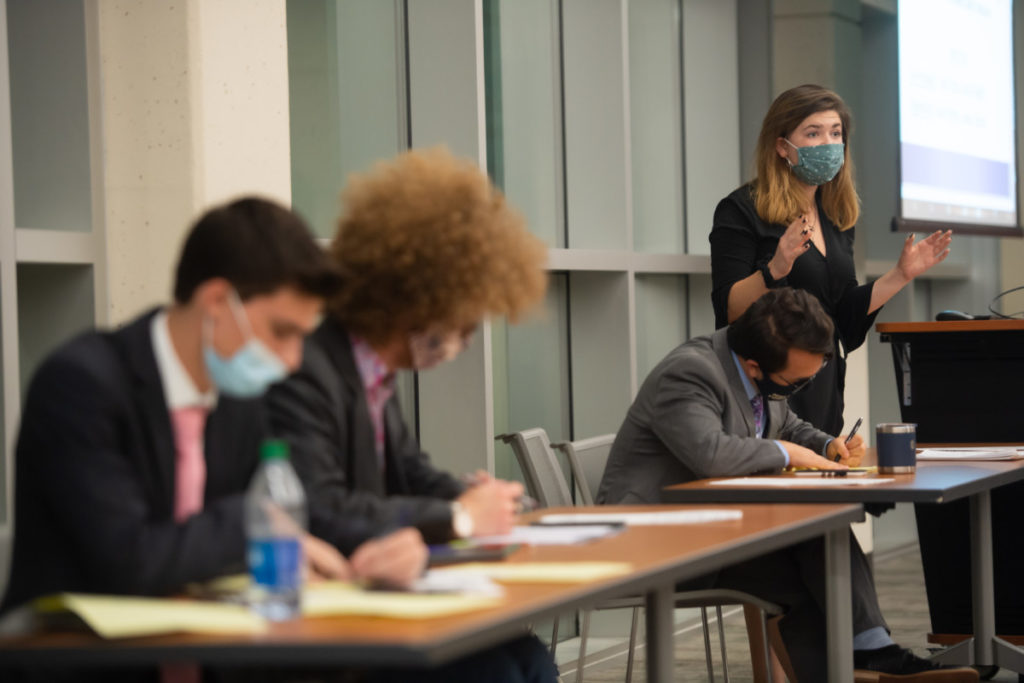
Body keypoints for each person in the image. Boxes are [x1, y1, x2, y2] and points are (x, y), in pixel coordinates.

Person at [0, 197, 547, 683]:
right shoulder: (84, 384)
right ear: (218, 302)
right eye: (282, 333)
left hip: (230, 654)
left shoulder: (233, 398)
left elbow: (295, 514)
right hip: (96, 667)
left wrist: (345, 553)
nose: (290, 360)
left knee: (519, 656)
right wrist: (263, 525)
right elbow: (131, 560)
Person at [264, 148, 557, 683]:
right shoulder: (311, 369)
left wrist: (490, 501)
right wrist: (461, 518)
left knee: (529, 659)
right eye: (463, 324)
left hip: (376, 594)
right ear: (417, 298)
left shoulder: (369, 369)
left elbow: (409, 469)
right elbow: (318, 506)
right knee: (500, 674)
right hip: (325, 615)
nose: (464, 343)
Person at [597, 288, 977, 682]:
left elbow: (787, 425)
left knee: (817, 556)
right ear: (753, 366)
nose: (800, 389)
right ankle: (871, 658)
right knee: (814, 558)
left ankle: (870, 654)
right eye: (796, 383)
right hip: (655, 545)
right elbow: (711, 454)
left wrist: (827, 445)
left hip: (712, 532)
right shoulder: (690, 373)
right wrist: (790, 454)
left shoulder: (761, 372)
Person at [709, 83, 952, 435]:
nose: (828, 143)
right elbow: (728, 310)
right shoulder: (741, 210)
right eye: (813, 133)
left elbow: (843, 322)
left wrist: (899, 275)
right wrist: (775, 268)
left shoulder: (834, 216)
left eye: (835, 133)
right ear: (782, 146)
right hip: (764, 389)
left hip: (822, 388)